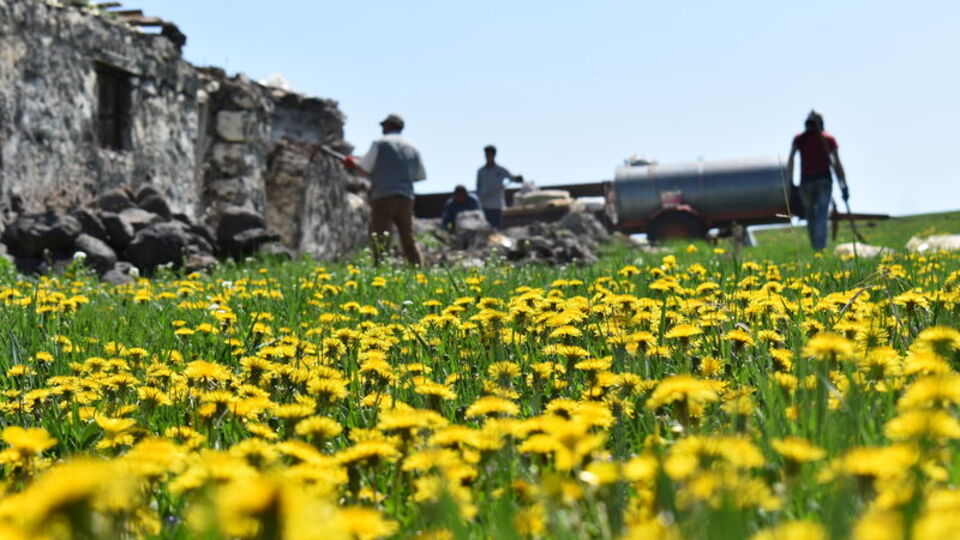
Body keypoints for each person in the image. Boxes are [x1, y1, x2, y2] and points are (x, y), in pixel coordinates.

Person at [342, 114, 425, 266]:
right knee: (408, 237)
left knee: (380, 237)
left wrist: (352, 164)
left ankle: (380, 269)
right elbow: (419, 175)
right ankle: (417, 269)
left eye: (384, 125)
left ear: (389, 126)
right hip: (406, 198)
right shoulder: (412, 148)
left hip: (383, 196)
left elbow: (365, 168)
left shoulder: (380, 144)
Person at [786, 110, 848, 251]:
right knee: (821, 214)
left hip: (807, 182)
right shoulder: (827, 138)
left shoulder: (801, 138)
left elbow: (791, 159)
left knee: (811, 215)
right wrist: (844, 184)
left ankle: (817, 247)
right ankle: (819, 247)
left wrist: (789, 180)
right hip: (822, 181)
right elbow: (837, 163)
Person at [475, 145, 522, 229]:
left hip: (497, 206)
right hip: (485, 206)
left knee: (497, 230)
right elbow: (478, 187)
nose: (487, 157)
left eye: (489, 154)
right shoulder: (481, 171)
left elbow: (512, 178)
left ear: (494, 155)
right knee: (486, 230)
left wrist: (518, 179)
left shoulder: (500, 170)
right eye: (486, 154)